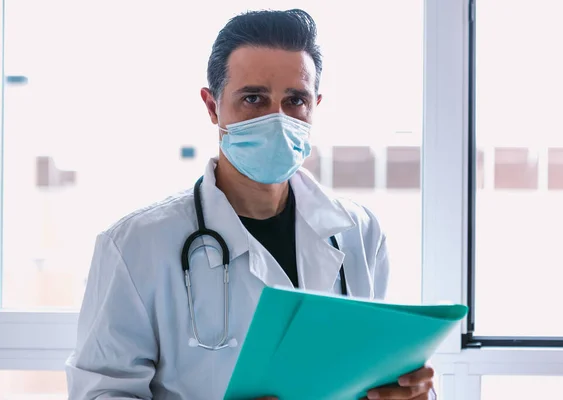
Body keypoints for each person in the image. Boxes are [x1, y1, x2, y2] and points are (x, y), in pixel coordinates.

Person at [66, 8, 436, 400]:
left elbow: (379, 372)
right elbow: (99, 394)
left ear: (315, 106)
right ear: (212, 106)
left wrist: (410, 395)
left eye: (295, 100)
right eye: (253, 98)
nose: (277, 119)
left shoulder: (359, 234)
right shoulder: (135, 246)